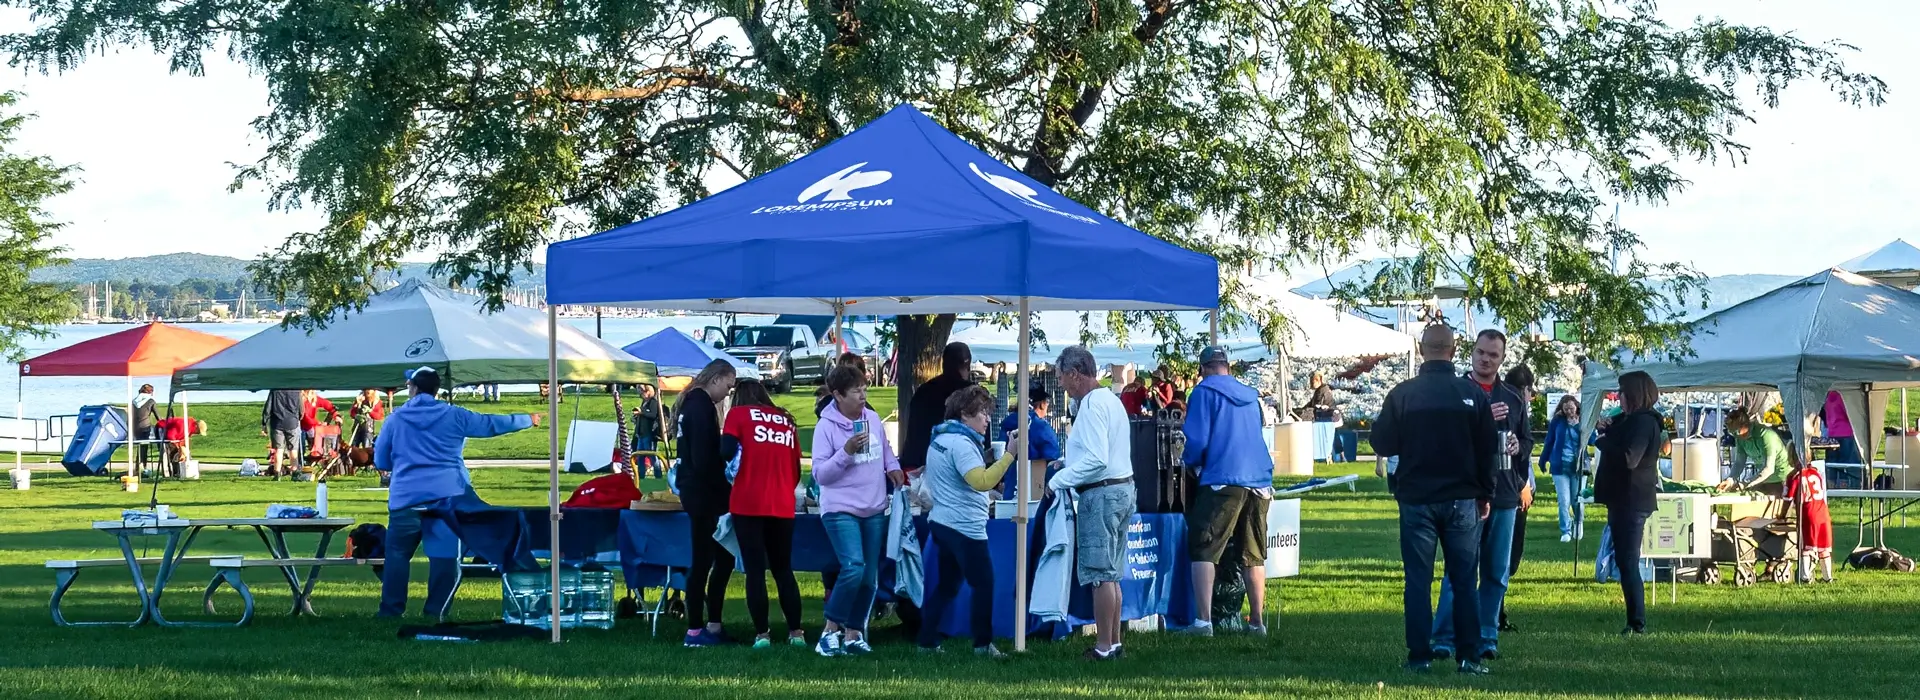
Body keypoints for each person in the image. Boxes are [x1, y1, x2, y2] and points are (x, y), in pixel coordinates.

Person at [1370, 324, 1497, 675]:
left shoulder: (1403, 394)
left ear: (1422, 350)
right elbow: (1488, 451)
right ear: (1454, 351)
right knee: (1463, 580)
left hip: (1417, 498)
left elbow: (1382, 443)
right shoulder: (1471, 395)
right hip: (1461, 498)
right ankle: (1469, 656)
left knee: (1418, 580)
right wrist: (1485, 493)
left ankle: (1419, 656)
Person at [375, 366, 542, 618]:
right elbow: (490, 425)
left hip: (405, 498)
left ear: (414, 388)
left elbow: (382, 461)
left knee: (397, 556)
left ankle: (390, 611)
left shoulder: (395, 419)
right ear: (436, 390)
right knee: (443, 557)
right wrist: (527, 419)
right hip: (447, 496)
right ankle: (436, 611)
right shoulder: (454, 415)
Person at [1428, 330, 1527, 662]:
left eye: (1493, 355)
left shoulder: (1513, 397)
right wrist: (1483, 415)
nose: (1486, 359)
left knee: (1497, 571)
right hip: (1467, 493)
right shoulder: (1456, 392)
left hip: (1505, 492)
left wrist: (1517, 446)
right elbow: (1445, 440)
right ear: (1470, 353)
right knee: (1459, 568)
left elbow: (1526, 443)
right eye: (1481, 353)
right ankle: (1444, 636)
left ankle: (1487, 635)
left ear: (1502, 359)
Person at [1175, 345, 1276, 637]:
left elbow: (1195, 441)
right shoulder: (1251, 396)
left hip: (1222, 479)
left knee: (1204, 547)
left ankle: (1203, 622)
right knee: (1253, 553)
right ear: (1228, 367)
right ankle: (1257, 622)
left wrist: (1190, 464)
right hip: (1259, 479)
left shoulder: (1203, 393)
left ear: (1203, 369)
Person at [1047, 345, 1136, 661]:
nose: (1060, 385)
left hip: (1101, 493)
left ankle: (1102, 647)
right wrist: (1068, 464)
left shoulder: (1091, 406)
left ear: (1074, 374)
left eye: (1061, 378)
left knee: (1100, 574)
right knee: (1111, 573)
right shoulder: (1110, 400)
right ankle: (1113, 644)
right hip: (1121, 488)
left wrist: (1059, 480)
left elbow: (1097, 459)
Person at [811, 364, 904, 657]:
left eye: (864, 389)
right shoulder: (825, 427)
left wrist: (893, 467)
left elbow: (885, 448)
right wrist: (847, 452)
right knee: (853, 566)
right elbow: (821, 475)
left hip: (874, 506)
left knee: (869, 577)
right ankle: (829, 631)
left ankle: (853, 634)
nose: (863, 395)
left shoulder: (873, 418)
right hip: (840, 507)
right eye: (856, 391)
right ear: (838, 395)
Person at [918, 384, 1016, 658]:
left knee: (948, 585)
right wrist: (1010, 454)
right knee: (984, 584)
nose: (987, 419)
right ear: (964, 414)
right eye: (982, 413)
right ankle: (983, 645)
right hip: (965, 527)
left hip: (942, 522)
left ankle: (927, 641)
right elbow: (981, 481)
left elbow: (961, 474)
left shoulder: (941, 438)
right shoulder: (962, 444)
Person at [721, 379, 808, 650]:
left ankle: (762, 635)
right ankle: (796, 633)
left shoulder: (737, 415)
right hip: (782, 502)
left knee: (755, 571)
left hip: (747, 502)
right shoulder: (785, 420)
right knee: (783, 570)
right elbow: (796, 465)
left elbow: (725, 451)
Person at [674, 360, 739, 648]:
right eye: (727, 386)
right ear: (716, 379)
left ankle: (709, 624)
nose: (727, 393)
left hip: (695, 490)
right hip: (704, 493)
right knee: (706, 560)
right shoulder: (700, 407)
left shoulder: (691, 404)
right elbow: (704, 459)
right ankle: (697, 629)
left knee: (714, 558)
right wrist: (725, 484)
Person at [1593, 370, 1663, 636]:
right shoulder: (1632, 421)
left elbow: (1629, 458)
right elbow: (1621, 431)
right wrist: (1608, 429)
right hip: (1622, 498)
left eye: (1621, 393)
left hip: (1631, 499)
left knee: (1628, 561)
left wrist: (1604, 442)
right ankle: (1634, 619)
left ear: (1632, 395)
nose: (1618, 397)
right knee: (1624, 560)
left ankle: (1637, 621)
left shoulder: (1644, 423)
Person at [1496, 365, 1536, 635]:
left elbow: (1525, 445)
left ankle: (1496, 612)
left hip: (1515, 490)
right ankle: (1495, 614)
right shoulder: (1511, 408)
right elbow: (1510, 455)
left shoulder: (1515, 407)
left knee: (1506, 558)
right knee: (1506, 557)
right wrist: (1523, 485)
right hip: (1510, 491)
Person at [902, 342, 973, 471]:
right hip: (955, 467)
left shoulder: (923, 391)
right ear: (967, 365)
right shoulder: (971, 394)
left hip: (917, 462)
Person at [997, 386, 1062, 496]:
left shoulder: (1008, 423)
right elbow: (1053, 455)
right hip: (1034, 487)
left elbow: (999, 453)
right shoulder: (1041, 427)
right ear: (1042, 404)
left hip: (1010, 487)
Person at [1539, 395, 1585, 542]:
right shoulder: (1558, 422)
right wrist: (1543, 460)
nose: (1569, 412)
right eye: (1566, 409)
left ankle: (1578, 523)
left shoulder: (1583, 421)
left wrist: (1579, 425)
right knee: (1563, 500)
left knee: (1576, 499)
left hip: (1577, 467)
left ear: (1577, 407)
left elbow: (1591, 440)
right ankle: (1565, 530)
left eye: (1571, 408)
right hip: (1559, 466)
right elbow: (1549, 441)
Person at [1784, 449, 1835, 583]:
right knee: (1824, 548)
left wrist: (1782, 515)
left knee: (1806, 547)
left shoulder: (1795, 477)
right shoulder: (1817, 473)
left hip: (1808, 514)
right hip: (1823, 513)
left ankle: (1805, 576)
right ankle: (1827, 577)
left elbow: (1787, 499)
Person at [1724, 408, 1790, 497]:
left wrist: (1745, 484)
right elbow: (1739, 462)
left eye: (1736, 432)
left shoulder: (1765, 435)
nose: (1735, 436)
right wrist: (1730, 480)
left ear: (1745, 425)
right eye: (1732, 433)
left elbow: (1768, 469)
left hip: (1782, 478)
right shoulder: (1739, 438)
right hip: (1763, 478)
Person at [260, 389, 303, 479]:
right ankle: (294, 472)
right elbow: (301, 409)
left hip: (277, 423)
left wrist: (264, 423)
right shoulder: (296, 391)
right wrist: (298, 417)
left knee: (278, 450)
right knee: (293, 449)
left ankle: (277, 474)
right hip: (292, 422)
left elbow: (268, 408)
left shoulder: (274, 390)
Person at [631, 383, 665, 478]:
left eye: (643, 392)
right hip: (641, 434)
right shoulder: (644, 402)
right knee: (640, 456)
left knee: (652, 455)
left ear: (648, 391)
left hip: (649, 433)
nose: (641, 395)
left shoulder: (653, 402)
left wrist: (642, 412)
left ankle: (658, 475)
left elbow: (653, 415)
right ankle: (641, 476)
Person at [131, 384, 159, 472]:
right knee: (144, 447)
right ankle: (143, 467)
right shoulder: (151, 401)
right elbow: (158, 416)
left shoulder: (134, 401)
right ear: (151, 392)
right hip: (145, 427)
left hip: (135, 427)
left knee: (140, 447)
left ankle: (138, 467)